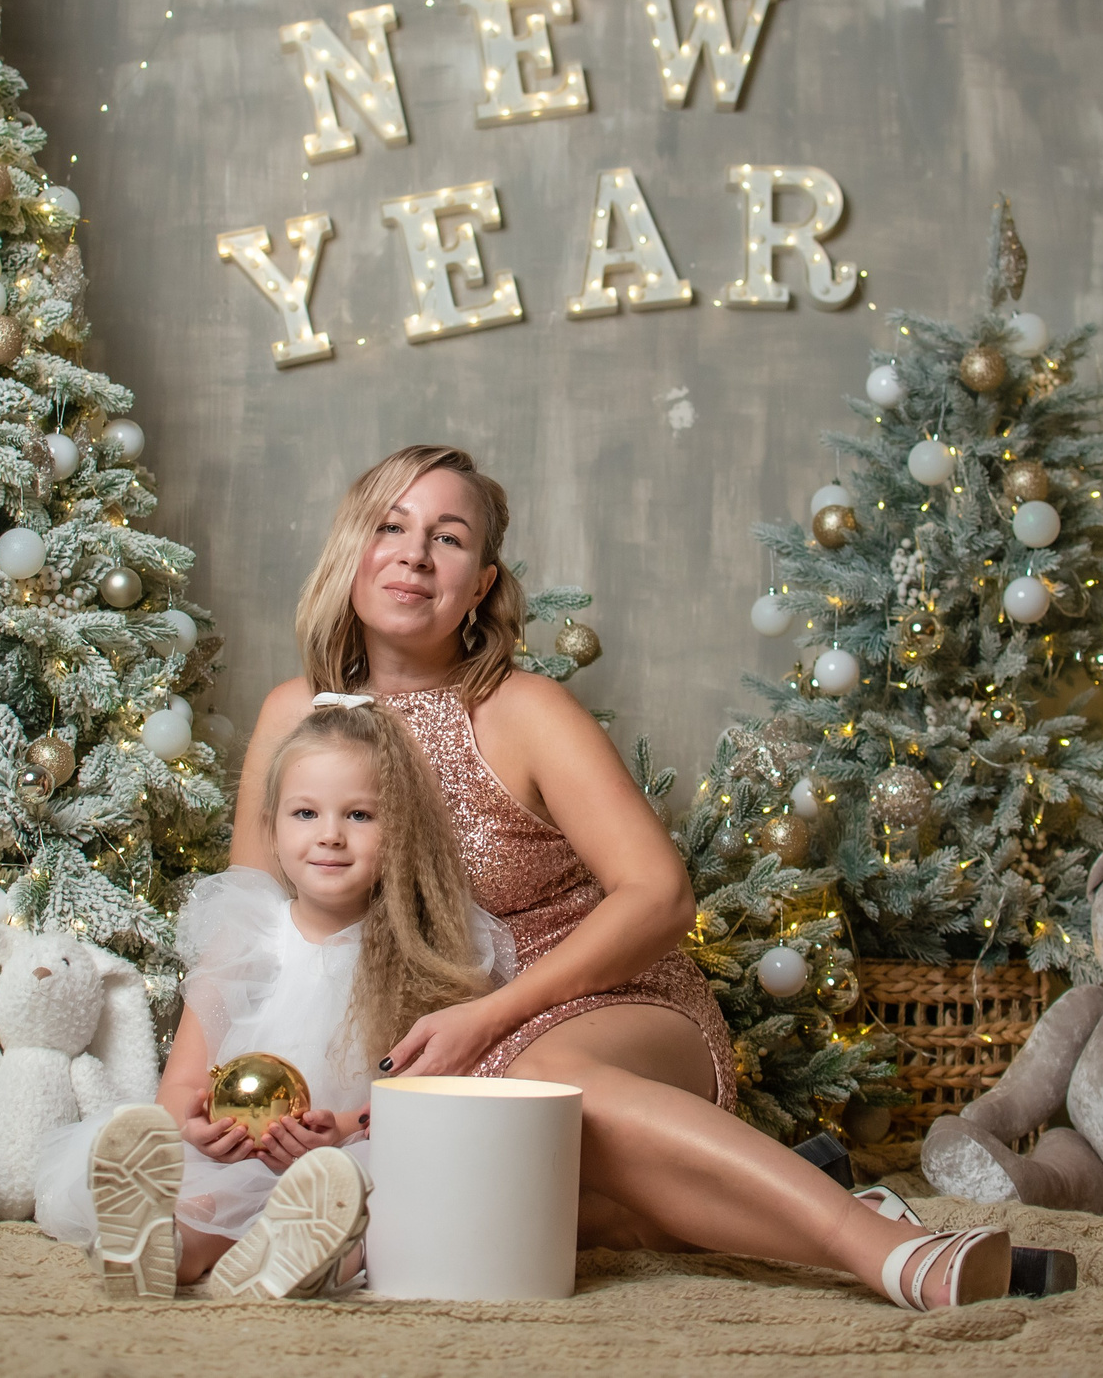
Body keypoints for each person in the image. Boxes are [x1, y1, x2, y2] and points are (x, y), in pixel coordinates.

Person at [230, 445, 1010, 1312]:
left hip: (605, 1004)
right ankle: (772, 1193)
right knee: (471, 1221)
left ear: (481, 584)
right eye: (391, 525)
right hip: (437, 1058)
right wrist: (222, 1091)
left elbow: (660, 896)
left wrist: (488, 1016)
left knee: (539, 1092)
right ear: (353, 546)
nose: (414, 554)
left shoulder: (523, 709)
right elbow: (250, 931)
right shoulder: (291, 714)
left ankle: (891, 1251)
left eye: (447, 538)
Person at [34, 695, 512, 1300]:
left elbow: (438, 1098)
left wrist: (336, 1131)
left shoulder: (425, 950)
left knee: (369, 1200)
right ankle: (169, 1250)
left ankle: (294, 1255)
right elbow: (179, 1088)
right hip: (238, 1156)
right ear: (274, 825)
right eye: (305, 813)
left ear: (404, 831)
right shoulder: (245, 936)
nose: (331, 836)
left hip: (350, 1155)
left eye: (361, 816)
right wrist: (200, 1127)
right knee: (209, 1196)